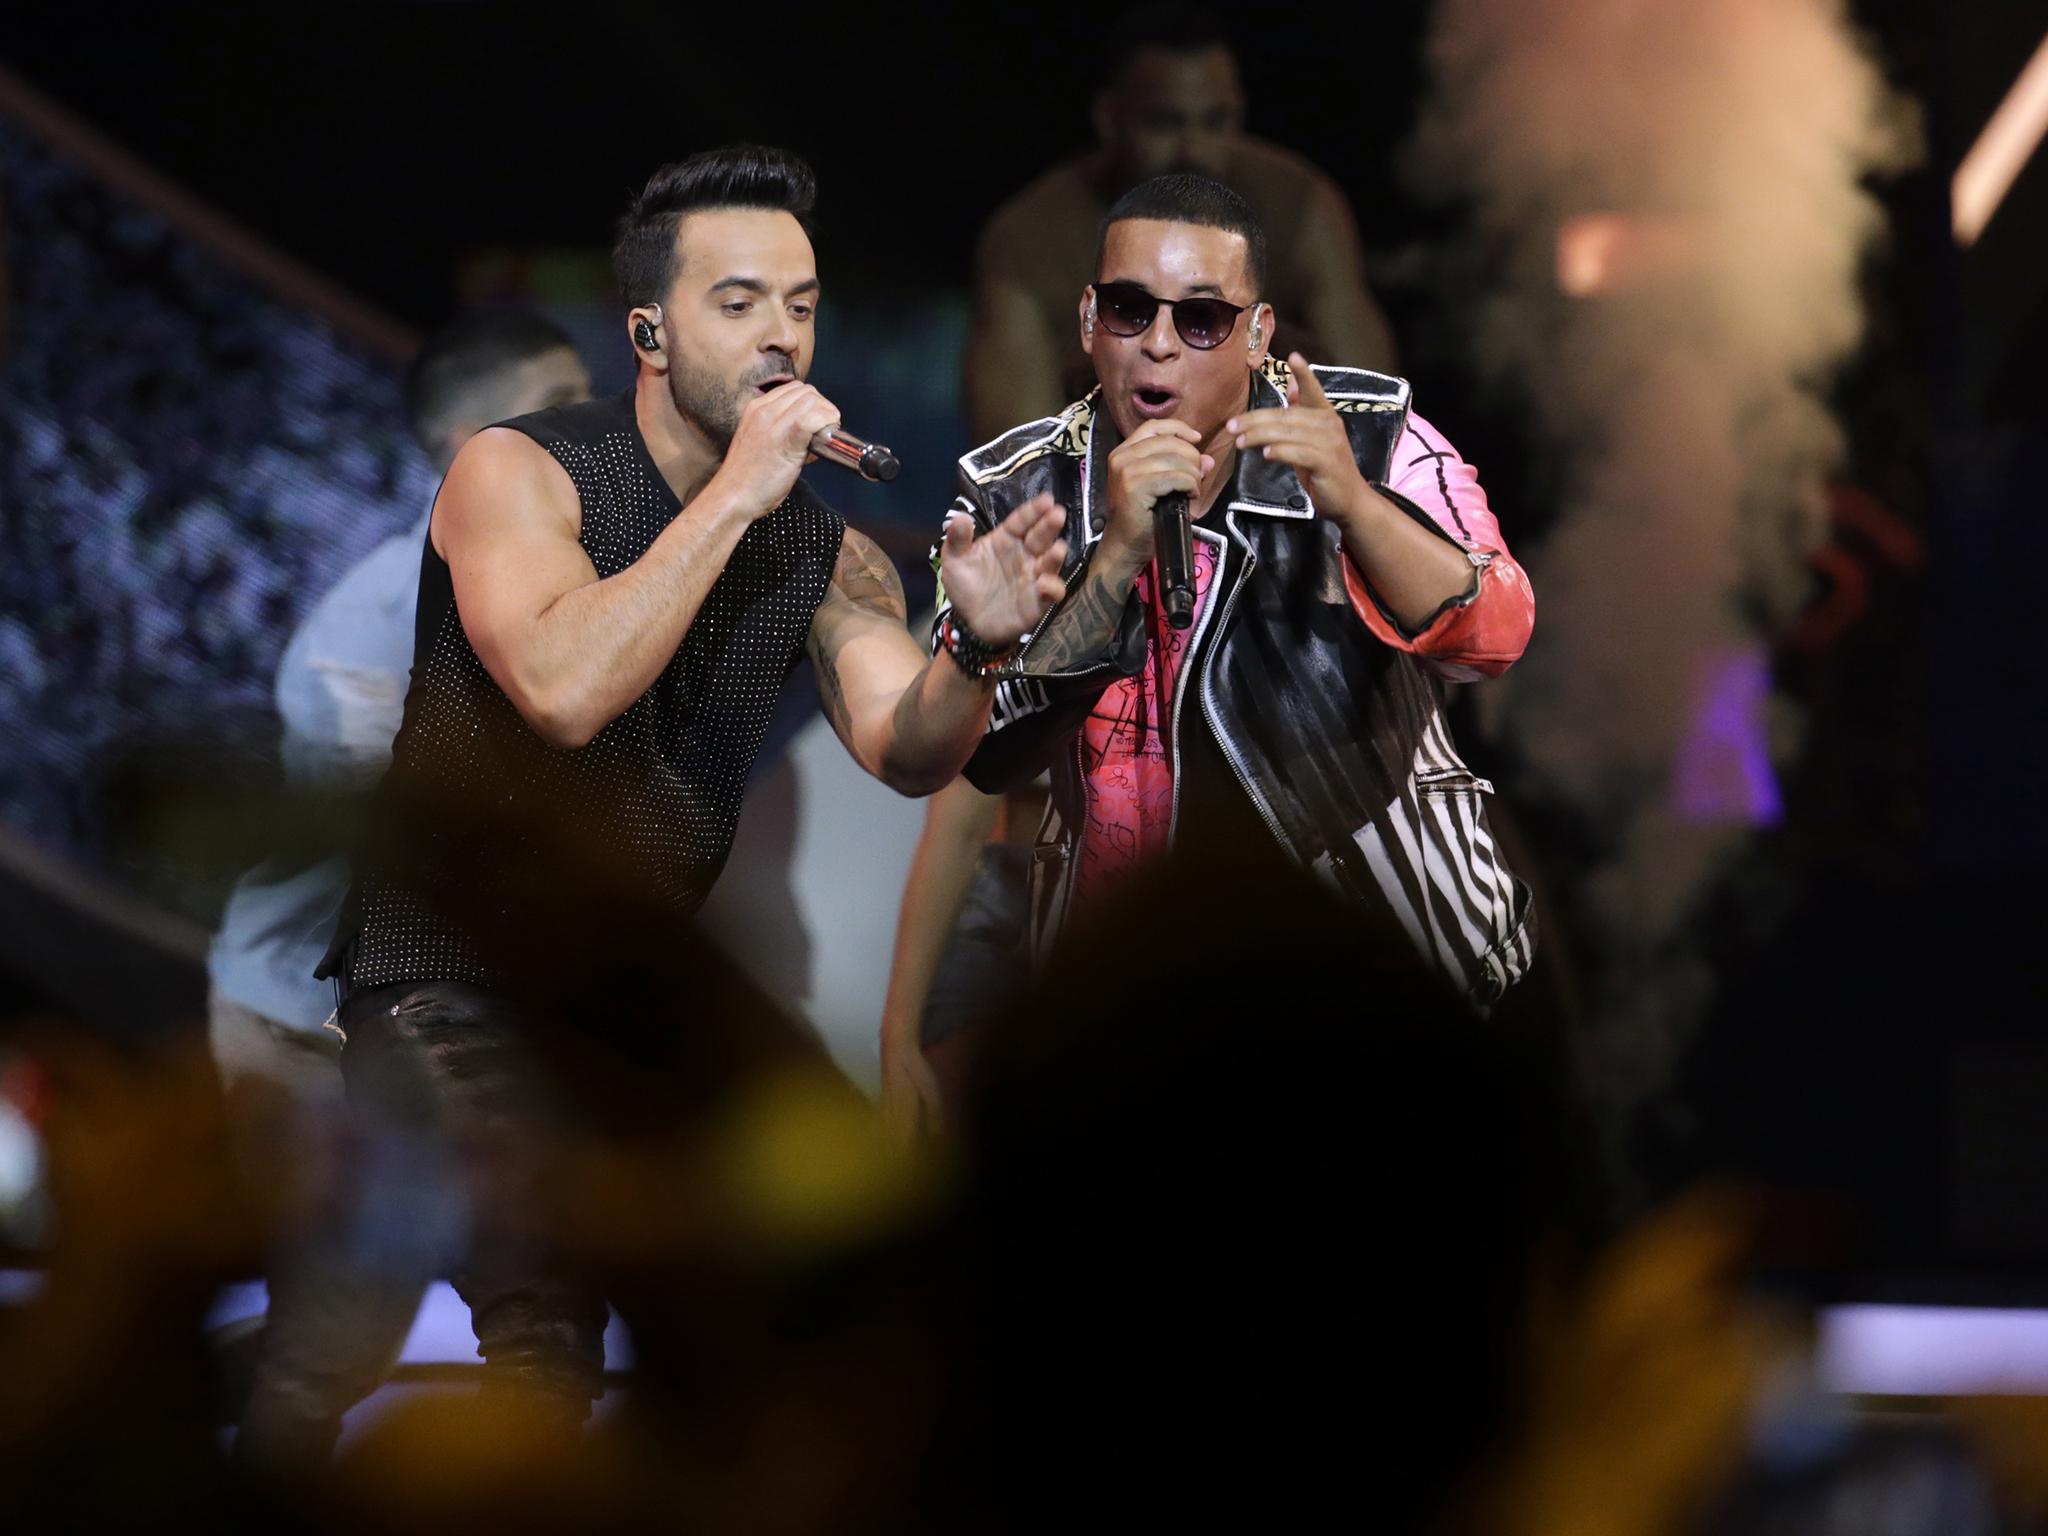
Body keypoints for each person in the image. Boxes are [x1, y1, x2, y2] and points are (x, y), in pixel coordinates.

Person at [285, 144, 1067, 1454]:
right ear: (650, 329)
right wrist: (740, 495)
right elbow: (562, 688)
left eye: (802, 305)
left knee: (352, 1331)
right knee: (549, 1309)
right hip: (449, 976)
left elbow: (909, 747)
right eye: (740, 301)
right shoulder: (520, 472)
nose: (781, 337)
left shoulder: (827, 552)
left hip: (621, 998)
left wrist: (975, 647)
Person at [935, 172, 1539, 1007]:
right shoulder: (1016, 491)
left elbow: (1497, 634)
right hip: (1130, 981)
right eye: (1129, 309)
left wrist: (1357, 507)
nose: (1159, 343)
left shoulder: (1366, 434)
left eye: (1201, 318)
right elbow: (982, 752)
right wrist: (1114, 558)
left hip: (1380, 964)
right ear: (1086, 320)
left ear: (1258, 334)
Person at [220, 311, 592, 1471]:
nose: (589, 429)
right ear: (464, 441)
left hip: (436, 1003)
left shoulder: (569, 574)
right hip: (310, 1018)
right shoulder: (378, 614)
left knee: (396, 1320)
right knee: (355, 1324)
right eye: (557, 403)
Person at [963, 2, 1397, 445]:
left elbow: (1372, 414)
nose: (1193, 149)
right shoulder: (1028, 237)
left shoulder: (1303, 206)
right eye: (1163, 123)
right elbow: (1014, 451)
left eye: (1215, 120)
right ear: (1109, 119)